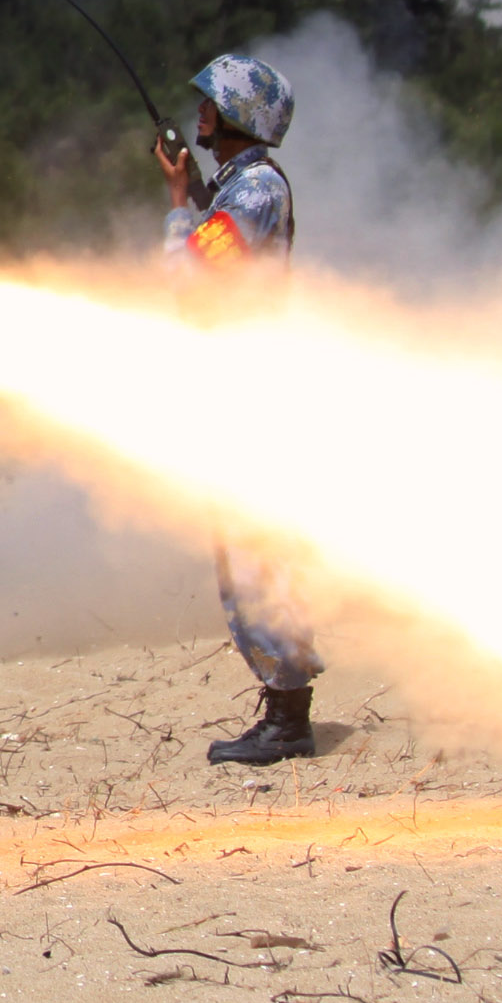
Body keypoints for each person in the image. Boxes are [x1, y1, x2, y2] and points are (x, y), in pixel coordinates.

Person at [159, 53, 315, 767]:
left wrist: (174, 213)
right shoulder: (238, 189)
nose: (201, 116)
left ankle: (287, 719)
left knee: (256, 555)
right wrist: (188, 192)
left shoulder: (252, 192)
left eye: (212, 107)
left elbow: (193, 271)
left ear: (238, 117)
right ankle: (284, 708)